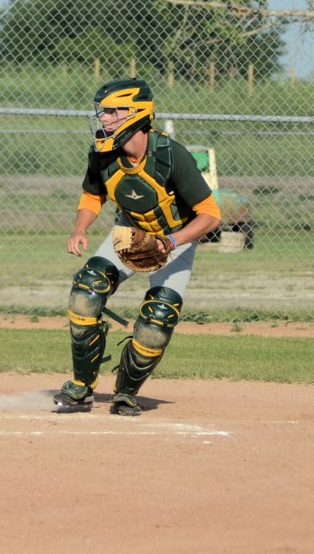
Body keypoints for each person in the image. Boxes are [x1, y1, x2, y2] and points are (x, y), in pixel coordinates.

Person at [54, 79, 222, 416]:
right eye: (104, 112)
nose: (105, 119)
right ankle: (81, 389)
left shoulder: (170, 155)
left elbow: (210, 215)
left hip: (176, 240)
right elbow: (93, 194)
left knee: (159, 318)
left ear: (137, 114)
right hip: (129, 235)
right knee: (86, 291)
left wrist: (171, 242)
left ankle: (126, 394)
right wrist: (80, 227)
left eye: (114, 112)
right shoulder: (102, 155)